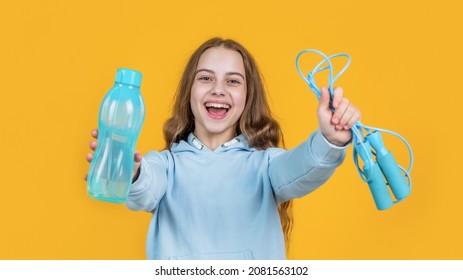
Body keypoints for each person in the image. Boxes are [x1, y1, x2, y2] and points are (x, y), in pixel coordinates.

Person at [85, 37, 361, 260]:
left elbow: (302, 167)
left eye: (232, 81)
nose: (218, 89)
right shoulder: (165, 167)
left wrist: (330, 140)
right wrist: (130, 173)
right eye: (205, 78)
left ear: (247, 97)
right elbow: (144, 187)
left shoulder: (265, 167)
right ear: (189, 92)